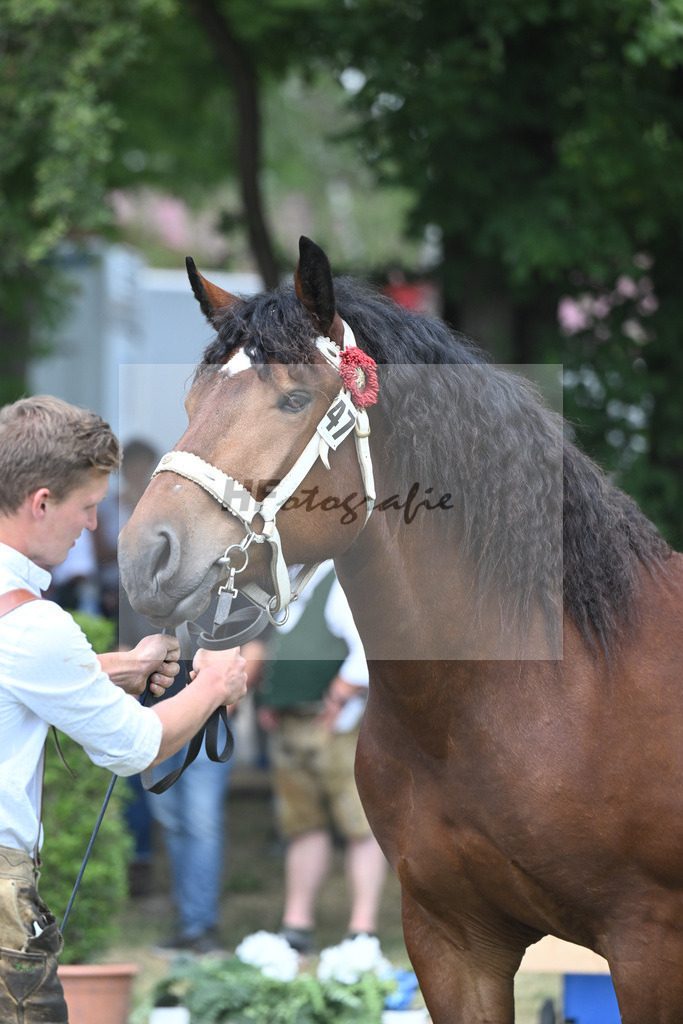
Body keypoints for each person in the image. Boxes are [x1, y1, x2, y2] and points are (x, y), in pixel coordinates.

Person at [0, 395, 247, 1024]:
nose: (91, 526)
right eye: (87, 508)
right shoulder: (33, 625)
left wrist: (110, 668)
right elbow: (134, 747)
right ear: (42, 503)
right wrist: (213, 683)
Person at [257, 561, 387, 954]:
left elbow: (370, 644)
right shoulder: (287, 583)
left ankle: (361, 931)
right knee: (302, 825)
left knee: (360, 826)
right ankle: (297, 926)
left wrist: (339, 694)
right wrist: (272, 699)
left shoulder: (340, 577)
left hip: (338, 725)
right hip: (292, 724)